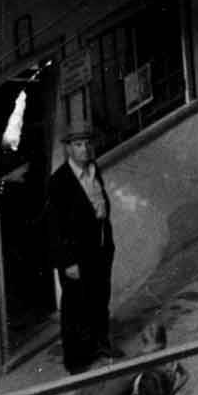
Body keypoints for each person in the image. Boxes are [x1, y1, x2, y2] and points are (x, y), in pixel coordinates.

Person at [46, 122, 114, 373]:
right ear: (68, 149)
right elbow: (55, 227)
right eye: (78, 145)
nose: (84, 149)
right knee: (75, 307)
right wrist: (67, 262)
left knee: (100, 299)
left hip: (100, 247)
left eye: (87, 143)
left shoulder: (94, 170)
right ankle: (76, 360)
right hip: (76, 255)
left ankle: (100, 346)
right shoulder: (59, 181)